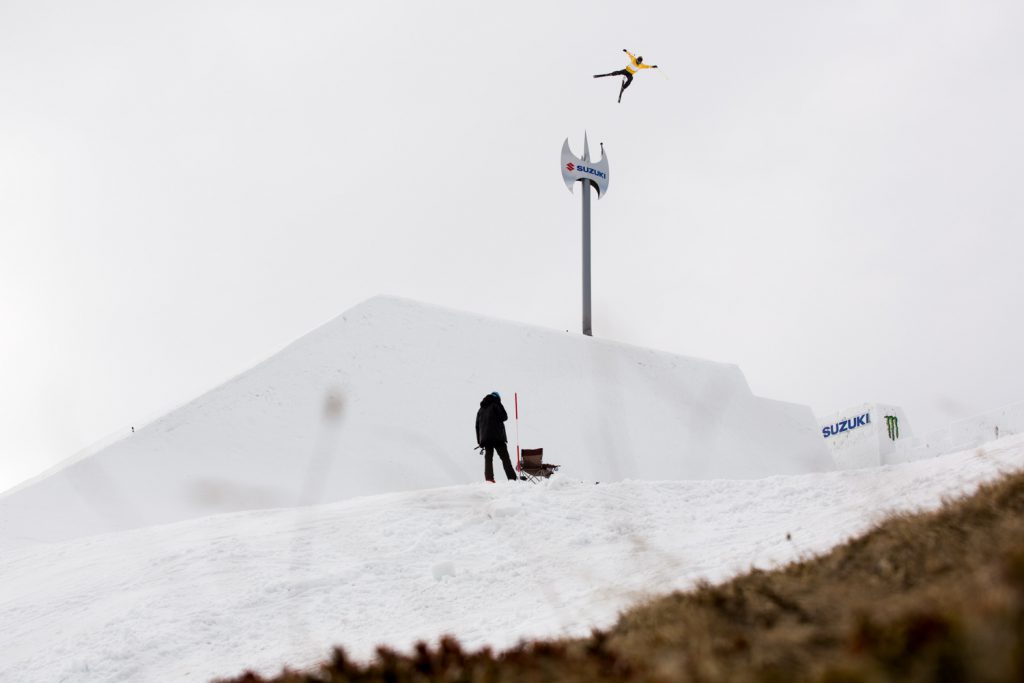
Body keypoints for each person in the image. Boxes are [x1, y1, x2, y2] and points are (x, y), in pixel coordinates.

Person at [475, 391, 517, 483]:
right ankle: (512, 479)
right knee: (505, 458)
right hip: (498, 436)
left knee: (488, 458)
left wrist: (480, 441)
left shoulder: (480, 410)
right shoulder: (496, 404)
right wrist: (499, 404)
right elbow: (504, 417)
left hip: (486, 439)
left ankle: (489, 479)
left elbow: (477, 426)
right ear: (497, 398)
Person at [593, 49, 659, 103]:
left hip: (630, 74)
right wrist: (626, 51)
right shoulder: (633, 59)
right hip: (626, 70)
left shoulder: (641, 65)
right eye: (637, 61)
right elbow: (630, 55)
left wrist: (653, 66)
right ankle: (611, 74)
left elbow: (647, 66)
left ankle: (623, 88)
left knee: (630, 79)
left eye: (639, 62)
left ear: (640, 62)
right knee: (619, 72)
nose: (638, 62)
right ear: (636, 59)